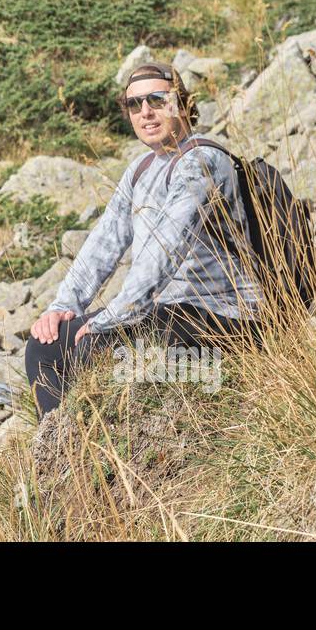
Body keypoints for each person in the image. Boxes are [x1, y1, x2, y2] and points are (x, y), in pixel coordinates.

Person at [24, 61, 263, 417]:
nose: (145, 112)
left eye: (156, 100)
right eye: (135, 104)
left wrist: (111, 319)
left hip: (226, 319)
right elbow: (103, 244)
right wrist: (61, 307)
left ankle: (107, 448)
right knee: (44, 347)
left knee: (97, 348)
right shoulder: (140, 170)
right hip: (164, 313)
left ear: (180, 104)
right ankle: (59, 450)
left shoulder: (203, 161)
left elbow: (164, 253)